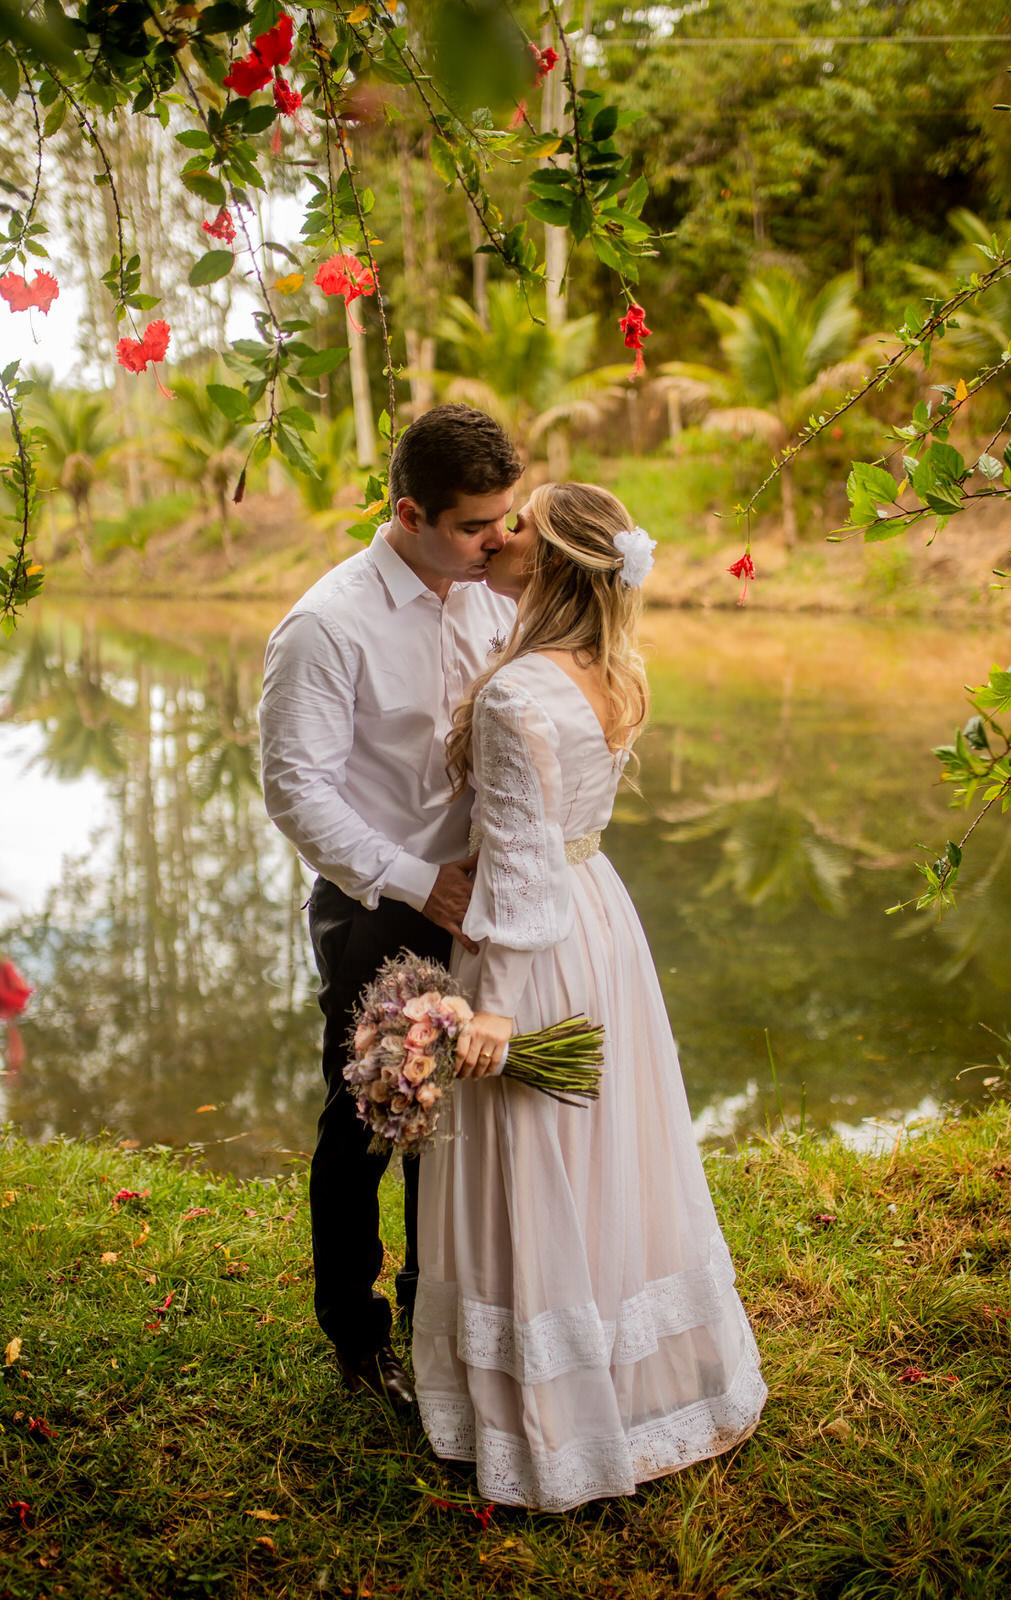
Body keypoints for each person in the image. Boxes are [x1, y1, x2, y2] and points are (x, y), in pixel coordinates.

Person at [412, 482, 767, 1511]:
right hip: (598, 917)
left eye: (520, 522)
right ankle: (629, 1375)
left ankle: (552, 1418)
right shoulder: (606, 669)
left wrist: (494, 1006)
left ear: (554, 561)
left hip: (537, 943)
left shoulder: (519, 694)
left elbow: (520, 865)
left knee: (534, 1158)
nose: (501, 533)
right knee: (606, 1153)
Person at [258, 405, 522, 1408]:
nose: (495, 542)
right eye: (473, 526)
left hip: (485, 904)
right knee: (372, 1121)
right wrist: (421, 882)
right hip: (380, 906)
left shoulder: (493, 598)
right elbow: (297, 791)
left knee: (460, 1122)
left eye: (503, 520)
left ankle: (435, 1318)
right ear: (409, 513)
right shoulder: (327, 625)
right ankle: (357, 1335)